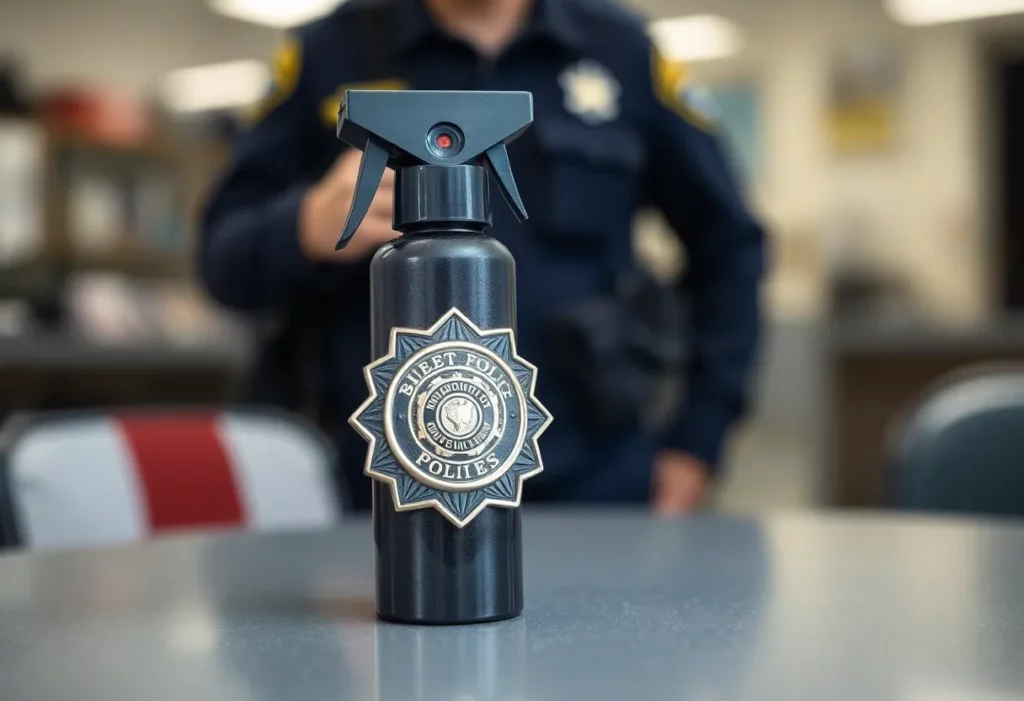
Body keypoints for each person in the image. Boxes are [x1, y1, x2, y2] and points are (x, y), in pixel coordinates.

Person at [199, 0, 766, 515]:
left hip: (593, 482)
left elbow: (731, 247)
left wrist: (698, 440)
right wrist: (303, 225)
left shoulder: (622, 51)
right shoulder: (328, 52)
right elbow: (220, 260)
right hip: (389, 482)